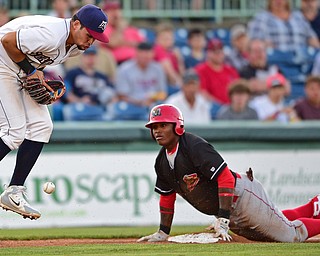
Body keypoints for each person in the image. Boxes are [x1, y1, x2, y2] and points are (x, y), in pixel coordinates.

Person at [137, 103, 320, 243]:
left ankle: (314, 208)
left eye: (163, 125)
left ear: (177, 126)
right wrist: (163, 232)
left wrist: (223, 219)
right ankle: (314, 207)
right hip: (227, 209)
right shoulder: (161, 161)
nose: (157, 131)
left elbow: (224, 177)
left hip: (241, 196)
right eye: (154, 127)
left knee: (289, 236)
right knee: (275, 226)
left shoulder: (193, 146)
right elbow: (167, 197)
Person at [0, 4, 110, 219]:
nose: (91, 41)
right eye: (89, 35)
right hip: (2, 62)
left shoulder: (76, 46)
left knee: (42, 127)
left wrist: (37, 74)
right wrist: (32, 72)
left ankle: (14, 191)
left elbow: (35, 57)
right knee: (14, 132)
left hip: (16, 68)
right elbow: (7, 41)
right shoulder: (52, 34)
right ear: (76, 24)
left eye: (95, 38)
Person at [113, 42, 167, 120]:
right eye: (143, 54)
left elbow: (163, 93)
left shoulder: (158, 68)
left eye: (148, 54)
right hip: (131, 107)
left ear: (152, 54)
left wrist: (153, 99)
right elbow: (122, 96)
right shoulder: (124, 69)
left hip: (153, 105)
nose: (145, 57)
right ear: (137, 54)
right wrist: (140, 102)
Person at [62, 45, 116, 121]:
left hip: (100, 108)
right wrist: (79, 101)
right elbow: (65, 92)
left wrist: (105, 101)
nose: (91, 59)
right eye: (88, 56)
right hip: (79, 108)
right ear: (82, 57)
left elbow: (113, 96)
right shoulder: (73, 73)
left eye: (93, 56)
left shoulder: (102, 76)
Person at [247, 0, 319, 51]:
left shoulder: (298, 17)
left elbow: (312, 39)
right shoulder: (262, 18)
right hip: (275, 64)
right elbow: (253, 44)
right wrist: (263, 45)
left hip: (303, 63)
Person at [195, 38, 239, 105]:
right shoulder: (200, 70)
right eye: (214, 51)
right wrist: (220, 106)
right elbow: (202, 93)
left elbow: (239, 89)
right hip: (212, 109)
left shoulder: (231, 70)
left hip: (233, 108)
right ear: (208, 53)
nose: (218, 54)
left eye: (220, 51)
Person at [101, 0, 145, 64]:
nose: (115, 14)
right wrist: (120, 28)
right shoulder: (103, 28)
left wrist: (123, 42)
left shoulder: (131, 29)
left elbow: (143, 45)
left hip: (136, 62)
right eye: (111, 11)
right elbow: (112, 43)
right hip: (116, 63)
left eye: (117, 10)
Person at [153, 22, 185, 95]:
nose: (167, 41)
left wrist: (179, 59)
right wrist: (182, 85)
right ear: (157, 39)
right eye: (164, 38)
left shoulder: (173, 52)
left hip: (172, 83)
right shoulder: (158, 49)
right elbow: (169, 72)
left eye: (169, 38)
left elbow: (182, 73)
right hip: (161, 85)